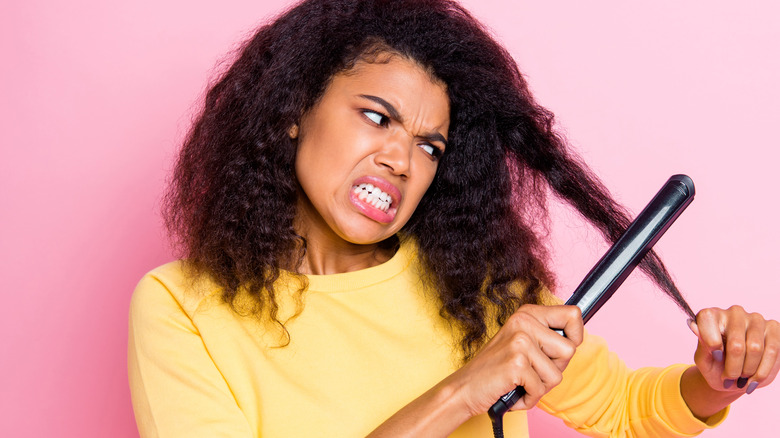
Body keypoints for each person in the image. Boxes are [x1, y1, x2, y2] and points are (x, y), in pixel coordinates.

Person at [128, 0, 780, 436]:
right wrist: (463, 391)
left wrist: (714, 386)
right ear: (295, 109)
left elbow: (627, 408)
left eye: (429, 145)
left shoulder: (474, 282)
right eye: (377, 117)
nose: (400, 160)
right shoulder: (180, 309)